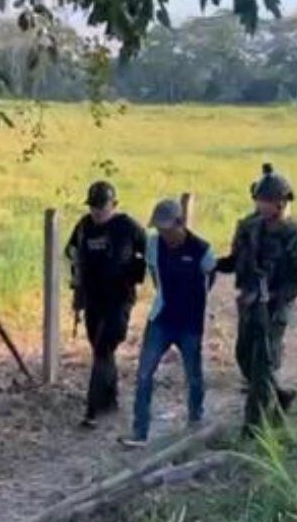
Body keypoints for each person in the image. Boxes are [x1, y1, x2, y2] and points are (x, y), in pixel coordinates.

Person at [215, 169, 297, 438]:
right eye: (259, 199)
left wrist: (276, 296)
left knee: (263, 364)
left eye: (265, 200)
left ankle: (253, 428)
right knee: (245, 357)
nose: (260, 204)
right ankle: (280, 396)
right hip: (249, 301)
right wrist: (213, 265)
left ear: (280, 203)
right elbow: (236, 260)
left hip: (274, 307)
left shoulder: (293, 234)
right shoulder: (249, 227)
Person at [118, 199, 217, 449]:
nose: (164, 235)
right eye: (160, 230)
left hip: (190, 323)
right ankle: (140, 432)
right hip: (161, 319)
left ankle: (195, 420)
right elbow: (154, 274)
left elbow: (211, 276)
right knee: (143, 375)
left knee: (194, 375)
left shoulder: (202, 250)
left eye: (167, 229)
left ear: (180, 223)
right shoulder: (154, 245)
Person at [65, 181, 147, 430]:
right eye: (93, 206)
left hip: (119, 298)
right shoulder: (84, 226)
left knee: (103, 347)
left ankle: (92, 409)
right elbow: (71, 250)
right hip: (93, 299)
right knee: (101, 350)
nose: (97, 212)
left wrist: (137, 272)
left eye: (102, 206)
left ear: (114, 204)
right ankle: (110, 400)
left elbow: (148, 252)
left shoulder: (127, 226)